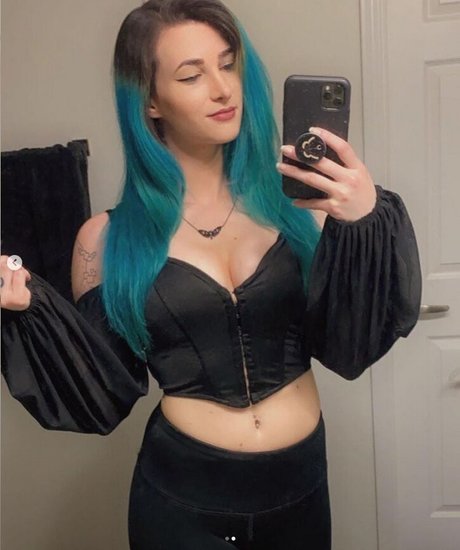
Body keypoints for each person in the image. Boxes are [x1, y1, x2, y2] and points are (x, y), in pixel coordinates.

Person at [0, 0, 422, 548]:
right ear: (151, 101)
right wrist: (28, 310)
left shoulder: (303, 210)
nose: (223, 89)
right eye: (192, 75)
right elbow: (103, 388)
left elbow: (349, 345)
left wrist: (368, 218)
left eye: (227, 65)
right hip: (182, 501)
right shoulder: (107, 240)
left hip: (299, 489)